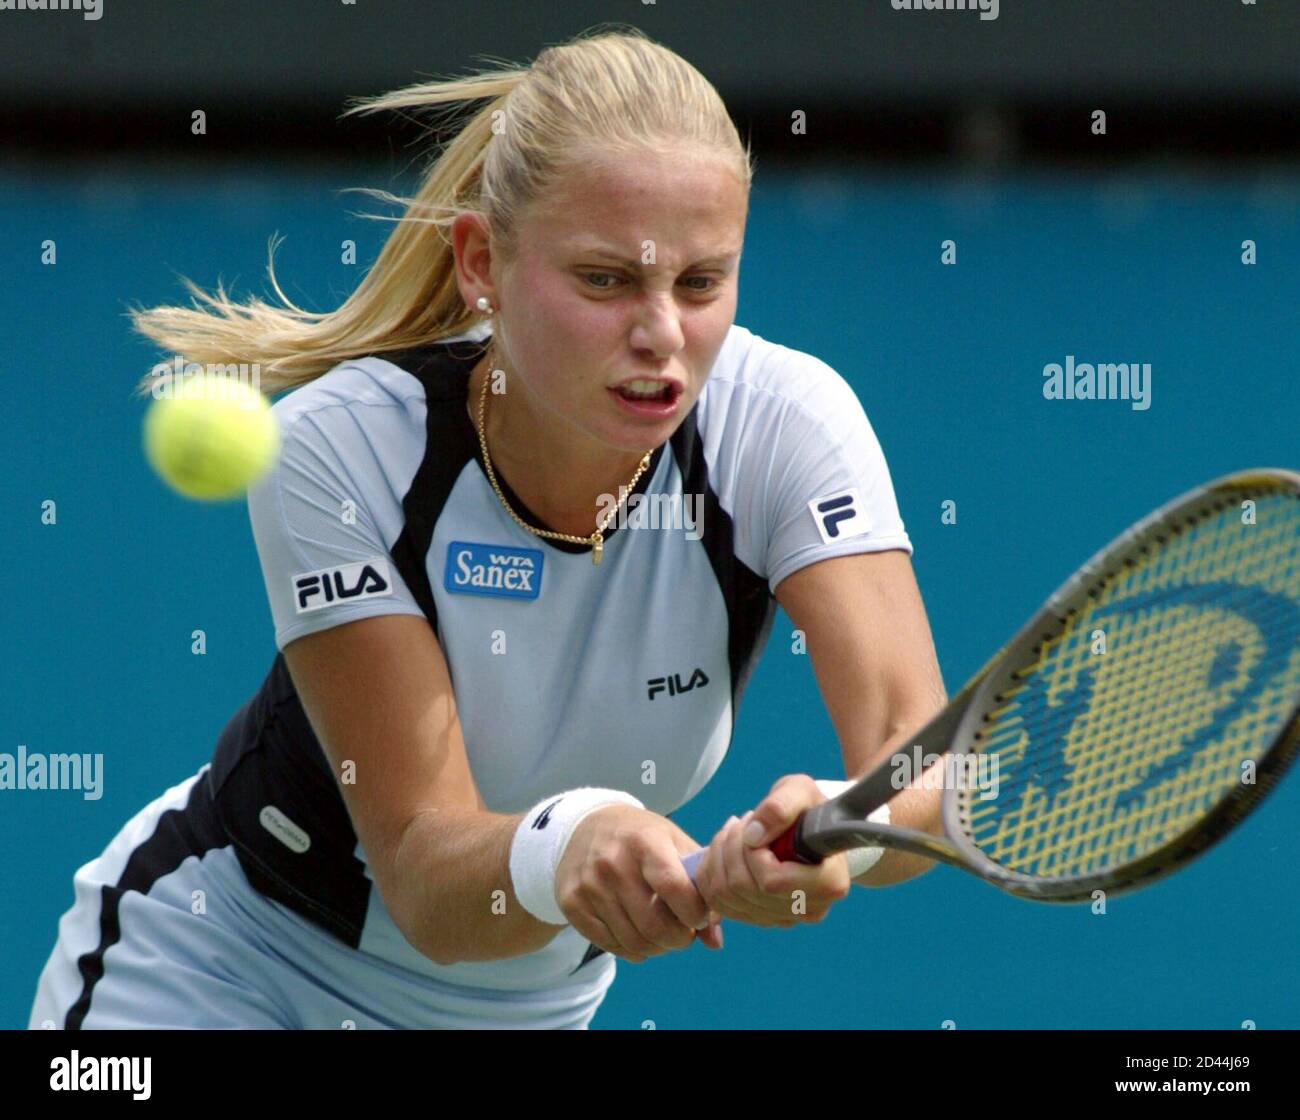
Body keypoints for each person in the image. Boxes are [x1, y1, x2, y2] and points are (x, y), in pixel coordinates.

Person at [28, 26, 948, 1031]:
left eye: (699, 283)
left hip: (524, 1012)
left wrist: (826, 829)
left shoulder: (788, 424)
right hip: (223, 967)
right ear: (481, 263)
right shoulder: (341, 448)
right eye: (603, 280)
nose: (660, 334)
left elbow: (923, 765)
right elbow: (425, 872)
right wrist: (578, 838)